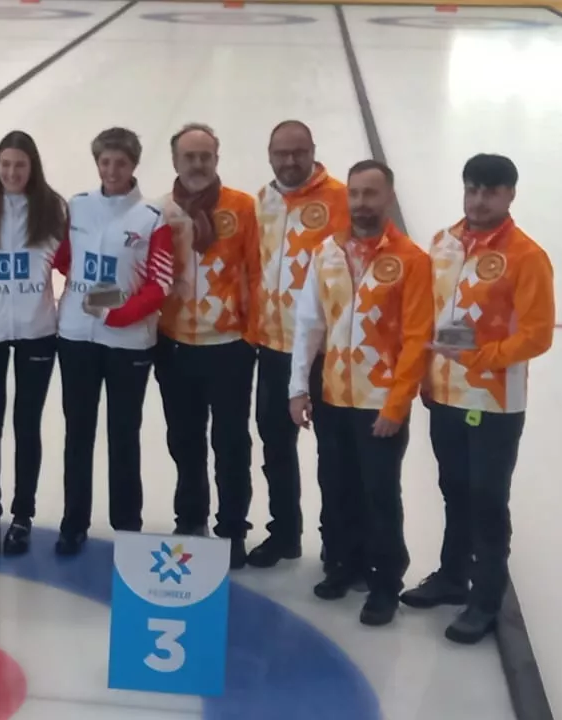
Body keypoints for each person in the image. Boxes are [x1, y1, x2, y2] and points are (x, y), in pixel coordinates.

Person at [400, 154, 554, 645]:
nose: (479, 199)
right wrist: (426, 374)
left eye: (490, 191)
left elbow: (537, 334)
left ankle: (486, 597)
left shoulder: (527, 256)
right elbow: (431, 314)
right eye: (472, 189)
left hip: (493, 400)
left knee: (487, 498)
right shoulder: (443, 243)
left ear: (510, 195)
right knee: (453, 489)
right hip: (444, 393)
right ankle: (451, 575)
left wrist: (483, 357)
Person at [288, 160, 432, 627]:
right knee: (337, 487)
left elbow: (417, 339)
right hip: (333, 397)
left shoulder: (411, 261)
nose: (362, 204)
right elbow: (309, 325)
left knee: (379, 494)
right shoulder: (325, 253)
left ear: (388, 198)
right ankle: (345, 565)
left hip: (378, 403)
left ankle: (386, 580)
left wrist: (396, 405)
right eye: (355, 194)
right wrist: (297, 389)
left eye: (371, 194)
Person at [53, 127, 173, 556]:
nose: (112, 170)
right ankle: (73, 522)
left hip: (129, 344)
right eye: (105, 162)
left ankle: (127, 526)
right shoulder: (79, 206)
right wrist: (91, 301)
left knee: (124, 435)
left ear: (134, 165)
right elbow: (65, 259)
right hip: (76, 338)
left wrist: (116, 313)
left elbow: (160, 284)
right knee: (77, 433)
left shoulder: (151, 218)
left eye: (120, 162)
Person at [152, 123, 261, 569]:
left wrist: (251, 336)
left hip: (228, 346)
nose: (198, 165)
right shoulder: (159, 211)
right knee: (184, 439)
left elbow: (257, 272)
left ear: (217, 159)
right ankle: (190, 517)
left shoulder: (243, 208)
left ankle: (232, 528)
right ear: (175, 161)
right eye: (189, 157)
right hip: (175, 344)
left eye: (205, 157)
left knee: (232, 441)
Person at [247, 119, 350, 570]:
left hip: (326, 351)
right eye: (281, 153)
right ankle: (284, 532)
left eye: (298, 152)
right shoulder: (263, 201)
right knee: (275, 445)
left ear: (313, 151)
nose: (290, 161)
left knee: (335, 452)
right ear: (269, 155)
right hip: (272, 347)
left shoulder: (342, 199)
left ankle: (340, 546)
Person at [0, 130, 67, 556]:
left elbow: (72, 266)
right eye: (5, 164)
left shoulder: (52, 208)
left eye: (20, 165)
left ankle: (22, 516)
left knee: (27, 426)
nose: (11, 173)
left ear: (32, 167)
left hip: (37, 331)